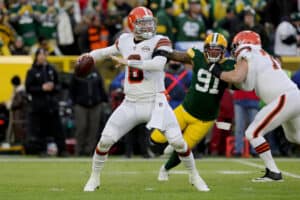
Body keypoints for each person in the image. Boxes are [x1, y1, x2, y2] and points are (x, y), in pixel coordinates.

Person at [82, 6, 209, 192]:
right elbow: (104, 52)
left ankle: (195, 176)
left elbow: (158, 65)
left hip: (155, 101)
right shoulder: (124, 40)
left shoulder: (161, 40)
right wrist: (88, 56)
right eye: (143, 23)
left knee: (178, 142)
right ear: (133, 24)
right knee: (106, 140)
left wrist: (129, 62)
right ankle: (94, 178)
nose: (148, 27)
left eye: (150, 23)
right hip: (131, 102)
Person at [208, 30, 300, 181]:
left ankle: (273, 173)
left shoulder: (246, 51)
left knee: (253, 133)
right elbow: (247, 85)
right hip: (292, 97)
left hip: (284, 98)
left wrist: (217, 72)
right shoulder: (261, 55)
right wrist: (228, 82)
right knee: (294, 136)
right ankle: (273, 173)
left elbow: (238, 76)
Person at [150, 32, 235, 181]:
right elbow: (180, 56)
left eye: (217, 49)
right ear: (205, 48)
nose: (213, 53)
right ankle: (169, 145)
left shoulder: (229, 65)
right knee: (156, 138)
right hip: (185, 110)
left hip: (205, 119)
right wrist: (165, 52)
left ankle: (165, 169)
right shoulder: (198, 57)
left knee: (184, 150)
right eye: (211, 49)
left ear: (224, 50)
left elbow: (238, 81)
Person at [25, 48, 67, 157]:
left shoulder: (52, 70)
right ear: (37, 56)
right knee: (41, 129)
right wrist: (42, 88)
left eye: (44, 54)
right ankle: (42, 150)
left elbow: (59, 85)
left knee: (58, 129)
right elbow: (28, 88)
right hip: (39, 106)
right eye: (41, 54)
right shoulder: (32, 71)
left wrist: (53, 87)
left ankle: (62, 150)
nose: (43, 57)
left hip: (52, 105)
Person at [70, 66, 108, 156]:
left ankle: (90, 151)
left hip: (95, 104)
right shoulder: (77, 73)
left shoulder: (96, 72)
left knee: (93, 129)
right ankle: (78, 150)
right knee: (81, 127)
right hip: (80, 105)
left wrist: (104, 100)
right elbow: (72, 89)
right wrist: (74, 102)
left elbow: (101, 87)